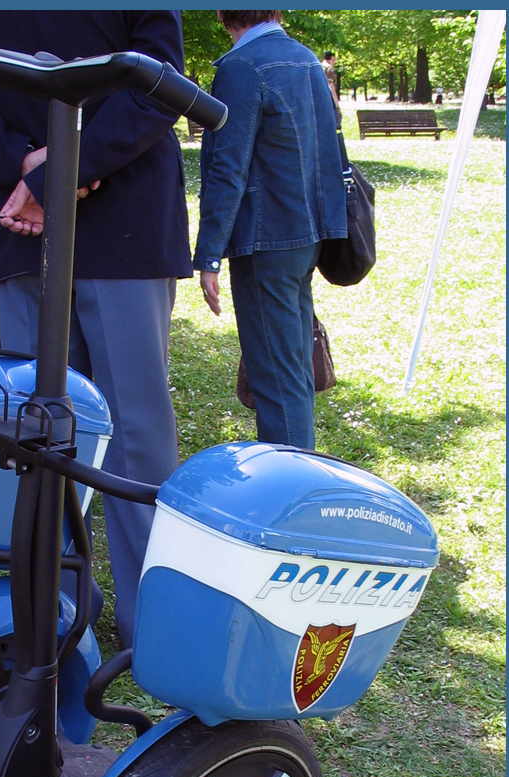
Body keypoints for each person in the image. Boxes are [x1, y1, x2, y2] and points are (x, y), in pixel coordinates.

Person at [0, 11, 192, 648]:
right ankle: (55, 614)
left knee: (134, 436)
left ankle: (151, 627)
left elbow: (159, 83)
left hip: (120, 223)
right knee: (40, 438)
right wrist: (30, 168)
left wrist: (56, 170)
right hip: (25, 228)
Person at [194, 11, 346, 450]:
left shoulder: (241, 67)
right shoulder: (305, 59)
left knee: (278, 381)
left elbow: (227, 167)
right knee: (292, 373)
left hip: (267, 240)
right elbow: (332, 150)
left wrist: (208, 255)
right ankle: (294, 476)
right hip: (305, 235)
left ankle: (289, 492)